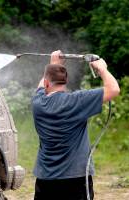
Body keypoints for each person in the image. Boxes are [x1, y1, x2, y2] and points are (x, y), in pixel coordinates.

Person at [31, 50, 120, 200]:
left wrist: (53, 64)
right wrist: (102, 69)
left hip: (45, 180)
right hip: (75, 180)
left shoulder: (37, 103)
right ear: (65, 82)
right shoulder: (77, 101)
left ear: (47, 83)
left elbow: (41, 87)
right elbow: (114, 89)